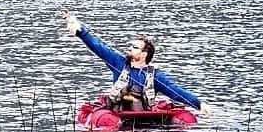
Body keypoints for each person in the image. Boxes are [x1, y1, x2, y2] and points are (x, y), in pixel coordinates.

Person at [66, 12, 207, 112]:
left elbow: (175, 91)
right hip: (118, 112)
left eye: (135, 47)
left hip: (143, 114)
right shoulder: (118, 63)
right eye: (131, 46)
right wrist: (79, 30)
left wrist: (198, 104)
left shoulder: (155, 76)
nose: (130, 48)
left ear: (144, 54)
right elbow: (98, 46)